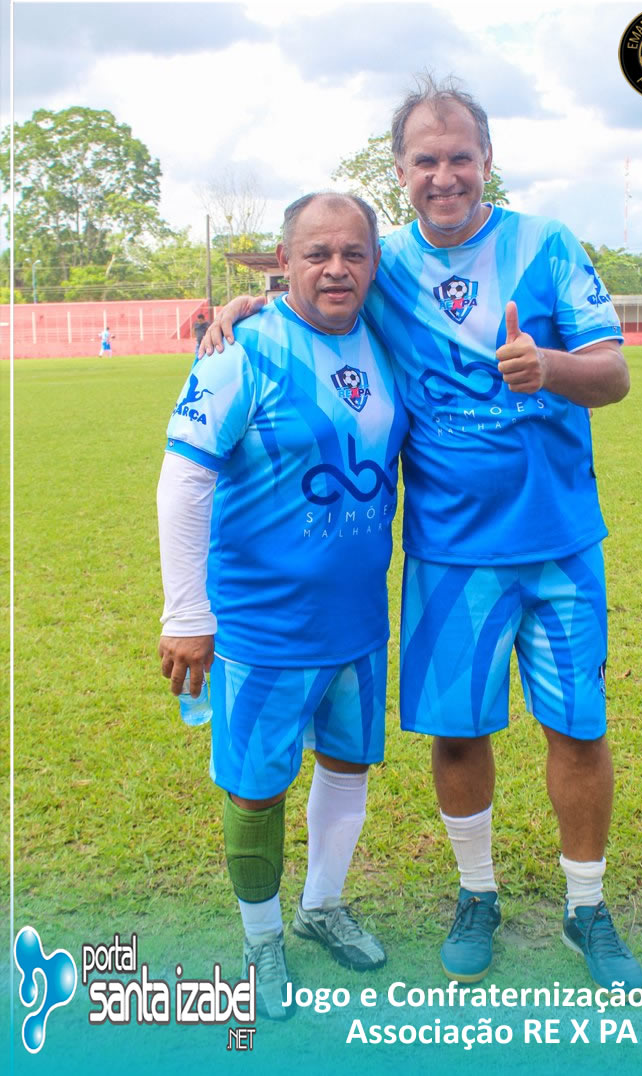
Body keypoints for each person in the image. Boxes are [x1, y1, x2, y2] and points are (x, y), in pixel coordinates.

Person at [203, 75, 642, 993]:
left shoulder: (545, 244)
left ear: (487, 161)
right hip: (449, 552)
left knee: (577, 729)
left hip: (560, 544)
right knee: (457, 732)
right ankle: (475, 894)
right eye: (424, 160)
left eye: (460, 158)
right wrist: (243, 311)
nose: (444, 176)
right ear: (399, 170)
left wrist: (548, 365)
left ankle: (586, 907)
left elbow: (613, 375)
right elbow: (315, 303)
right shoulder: (383, 263)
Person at [158, 192, 408, 1019]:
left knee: (346, 764)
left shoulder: (384, 339)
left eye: (353, 253)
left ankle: (321, 905)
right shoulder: (242, 351)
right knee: (256, 789)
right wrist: (185, 614)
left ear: (373, 261)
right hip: (262, 627)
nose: (336, 269)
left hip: (357, 620)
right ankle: (261, 937)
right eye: (316, 254)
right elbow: (183, 481)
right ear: (284, 261)